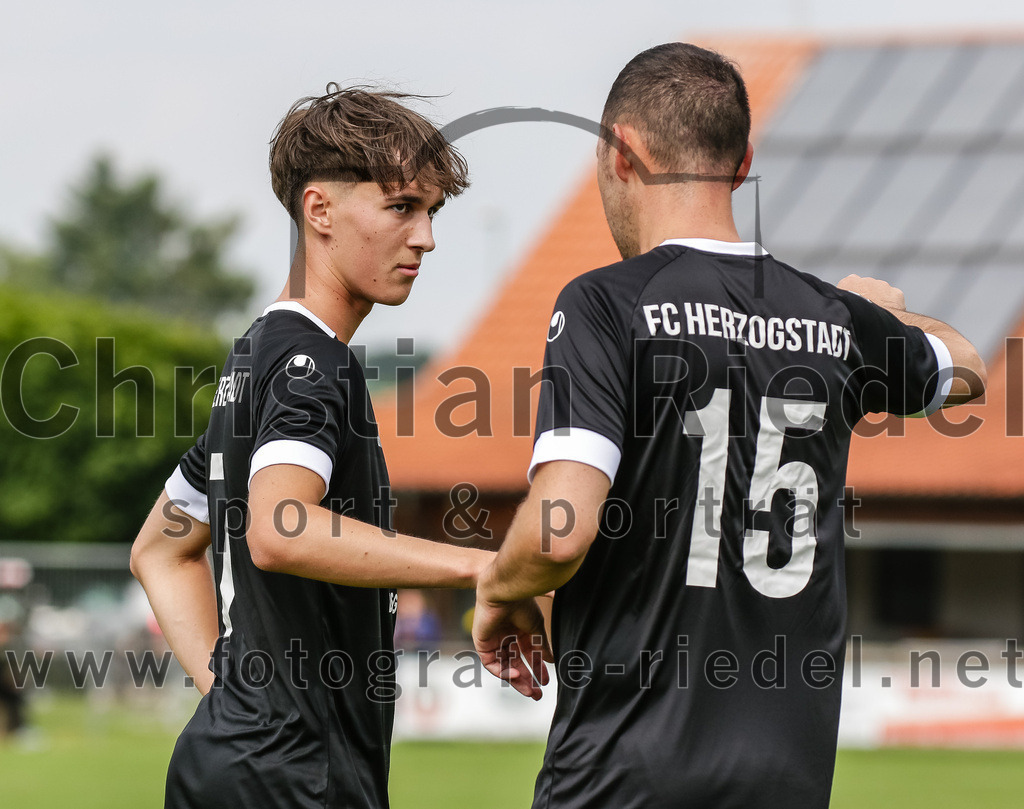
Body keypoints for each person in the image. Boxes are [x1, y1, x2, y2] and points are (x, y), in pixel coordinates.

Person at [473, 43, 987, 809]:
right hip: (788, 782)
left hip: (624, 777)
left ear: (621, 153)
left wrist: (496, 585)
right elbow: (967, 365)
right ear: (744, 161)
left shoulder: (605, 303)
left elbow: (558, 530)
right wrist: (884, 315)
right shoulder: (832, 318)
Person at [130, 86, 492, 809]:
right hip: (295, 779)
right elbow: (280, 528)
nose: (425, 237)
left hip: (237, 762)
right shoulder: (311, 365)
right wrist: (484, 565)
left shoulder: (256, 355)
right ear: (318, 210)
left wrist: (236, 698)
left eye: (431, 212)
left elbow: (159, 549)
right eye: (401, 207)